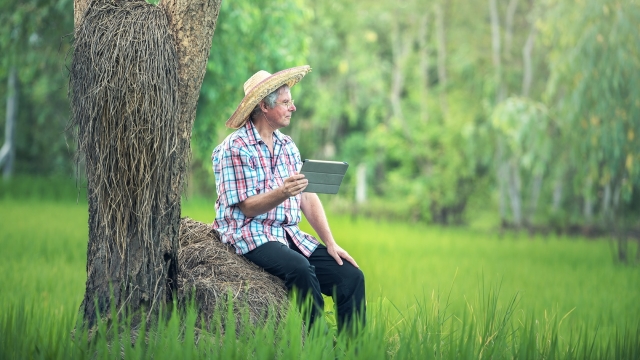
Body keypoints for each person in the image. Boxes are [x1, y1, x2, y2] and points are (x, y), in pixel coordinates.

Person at [211, 65, 365, 332]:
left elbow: (307, 196)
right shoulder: (234, 148)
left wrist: (330, 243)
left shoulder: (288, 146)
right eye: (285, 102)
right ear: (264, 107)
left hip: (286, 234)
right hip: (248, 234)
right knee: (301, 269)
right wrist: (283, 192)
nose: (293, 107)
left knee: (350, 276)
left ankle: (355, 351)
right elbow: (247, 208)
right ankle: (320, 346)